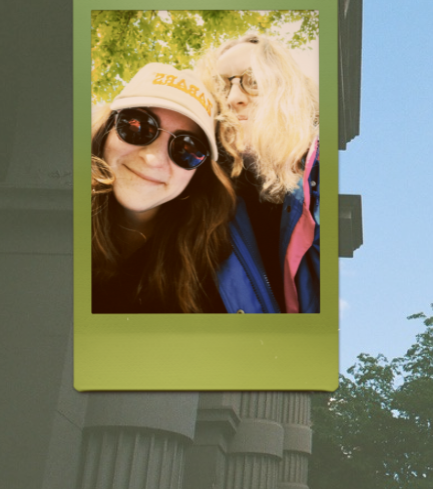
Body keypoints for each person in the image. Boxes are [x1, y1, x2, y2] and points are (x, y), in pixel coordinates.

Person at [91, 63, 236, 313]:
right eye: (137, 126)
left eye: (188, 149)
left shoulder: (215, 265)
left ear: (197, 173)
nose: (153, 158)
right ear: (108, 129)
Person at [199, 33, 320, 314]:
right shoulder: (203, 193)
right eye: (222, 86)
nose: (234, 98)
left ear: (283, 89)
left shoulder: (324, 174)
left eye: (252, 81)